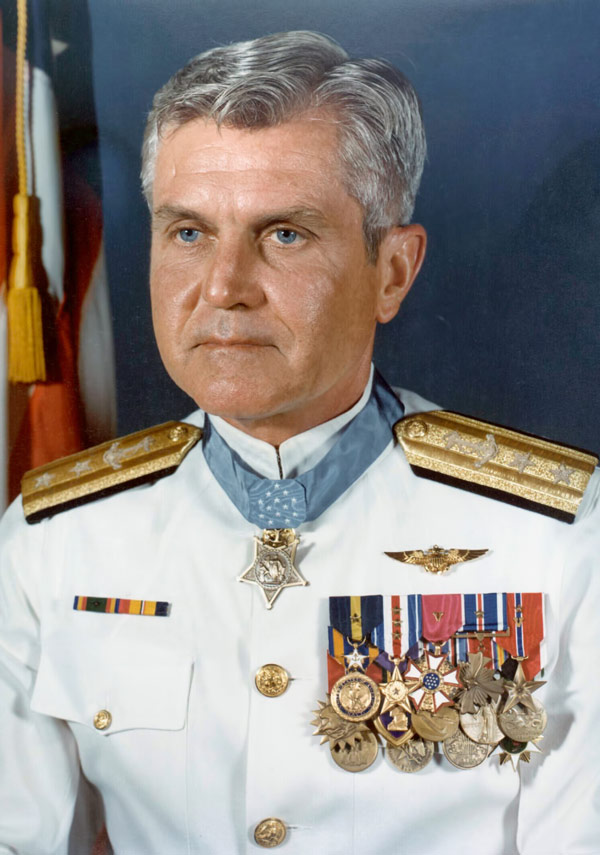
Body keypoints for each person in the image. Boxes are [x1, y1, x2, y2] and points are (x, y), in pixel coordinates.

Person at [0, 30, 598, 855]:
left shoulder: (558, 541)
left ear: (392, 271)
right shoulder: (53, 539)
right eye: (187, 233)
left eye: (284, 234)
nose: (222, 287)